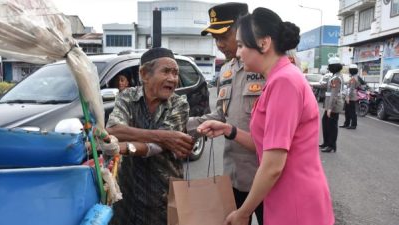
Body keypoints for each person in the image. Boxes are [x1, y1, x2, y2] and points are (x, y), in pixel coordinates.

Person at [197, 7, 334, 225]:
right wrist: (228, 130)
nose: (238, 53)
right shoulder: (277, 79)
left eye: (242, 45)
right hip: (280, 194)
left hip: (294, 199)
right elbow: (266, 143)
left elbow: (272, 165)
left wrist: (243, 213)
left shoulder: (284, 82)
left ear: (263, 43)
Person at [187, 3, 265, 224]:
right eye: (215, 38)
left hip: (267, 176)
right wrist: (184, 126)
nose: (219, 44)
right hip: (234, 175)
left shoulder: (269, 65)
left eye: (224, 36)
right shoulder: (226, 70)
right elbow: (222, 116)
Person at [105, 47, 194, 225]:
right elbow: (114, 128)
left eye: (175, 73)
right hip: (127, 194)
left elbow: (156, 148)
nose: (173, 79)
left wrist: (124, 146)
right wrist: (164, 136)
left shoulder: (179, 104)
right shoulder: (127, 97)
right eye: (166, 71)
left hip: (162, 196)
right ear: (145, 74)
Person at [320, 57, 345, 153]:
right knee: (325, 124)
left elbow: (334, 94)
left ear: (333, 67)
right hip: (329, 105)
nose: (328, 67)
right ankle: (326, 143)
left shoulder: (337, 78)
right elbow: (325, 86)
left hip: (333, 105)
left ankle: (331, 145)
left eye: (329, 66)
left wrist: (330, 108)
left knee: (332, 126)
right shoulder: (333, 76)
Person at [340, 64, 361, 129]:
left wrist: (348, 97)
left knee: (351, 111)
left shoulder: (353, 78)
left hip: (351, 97)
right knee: (347, 111)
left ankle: (353, 125)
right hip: (352, 96)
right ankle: (347, 123)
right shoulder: (355, 77)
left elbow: (351, 89)